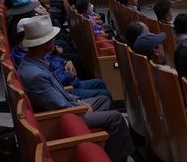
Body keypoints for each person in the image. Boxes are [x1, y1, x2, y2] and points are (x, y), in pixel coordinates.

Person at [18, 15, 134, 162]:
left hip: (68, 106)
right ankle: (117, 157)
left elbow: (58, 93)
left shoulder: (35, 61)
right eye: (51, 38)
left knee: (103, 99)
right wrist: (79, 105)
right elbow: (56, 105)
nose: (54, 40)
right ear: (43, 43)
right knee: (116, 118)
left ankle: (108, 146)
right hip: (64, 116)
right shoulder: (34, 74)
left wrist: (78, 101)